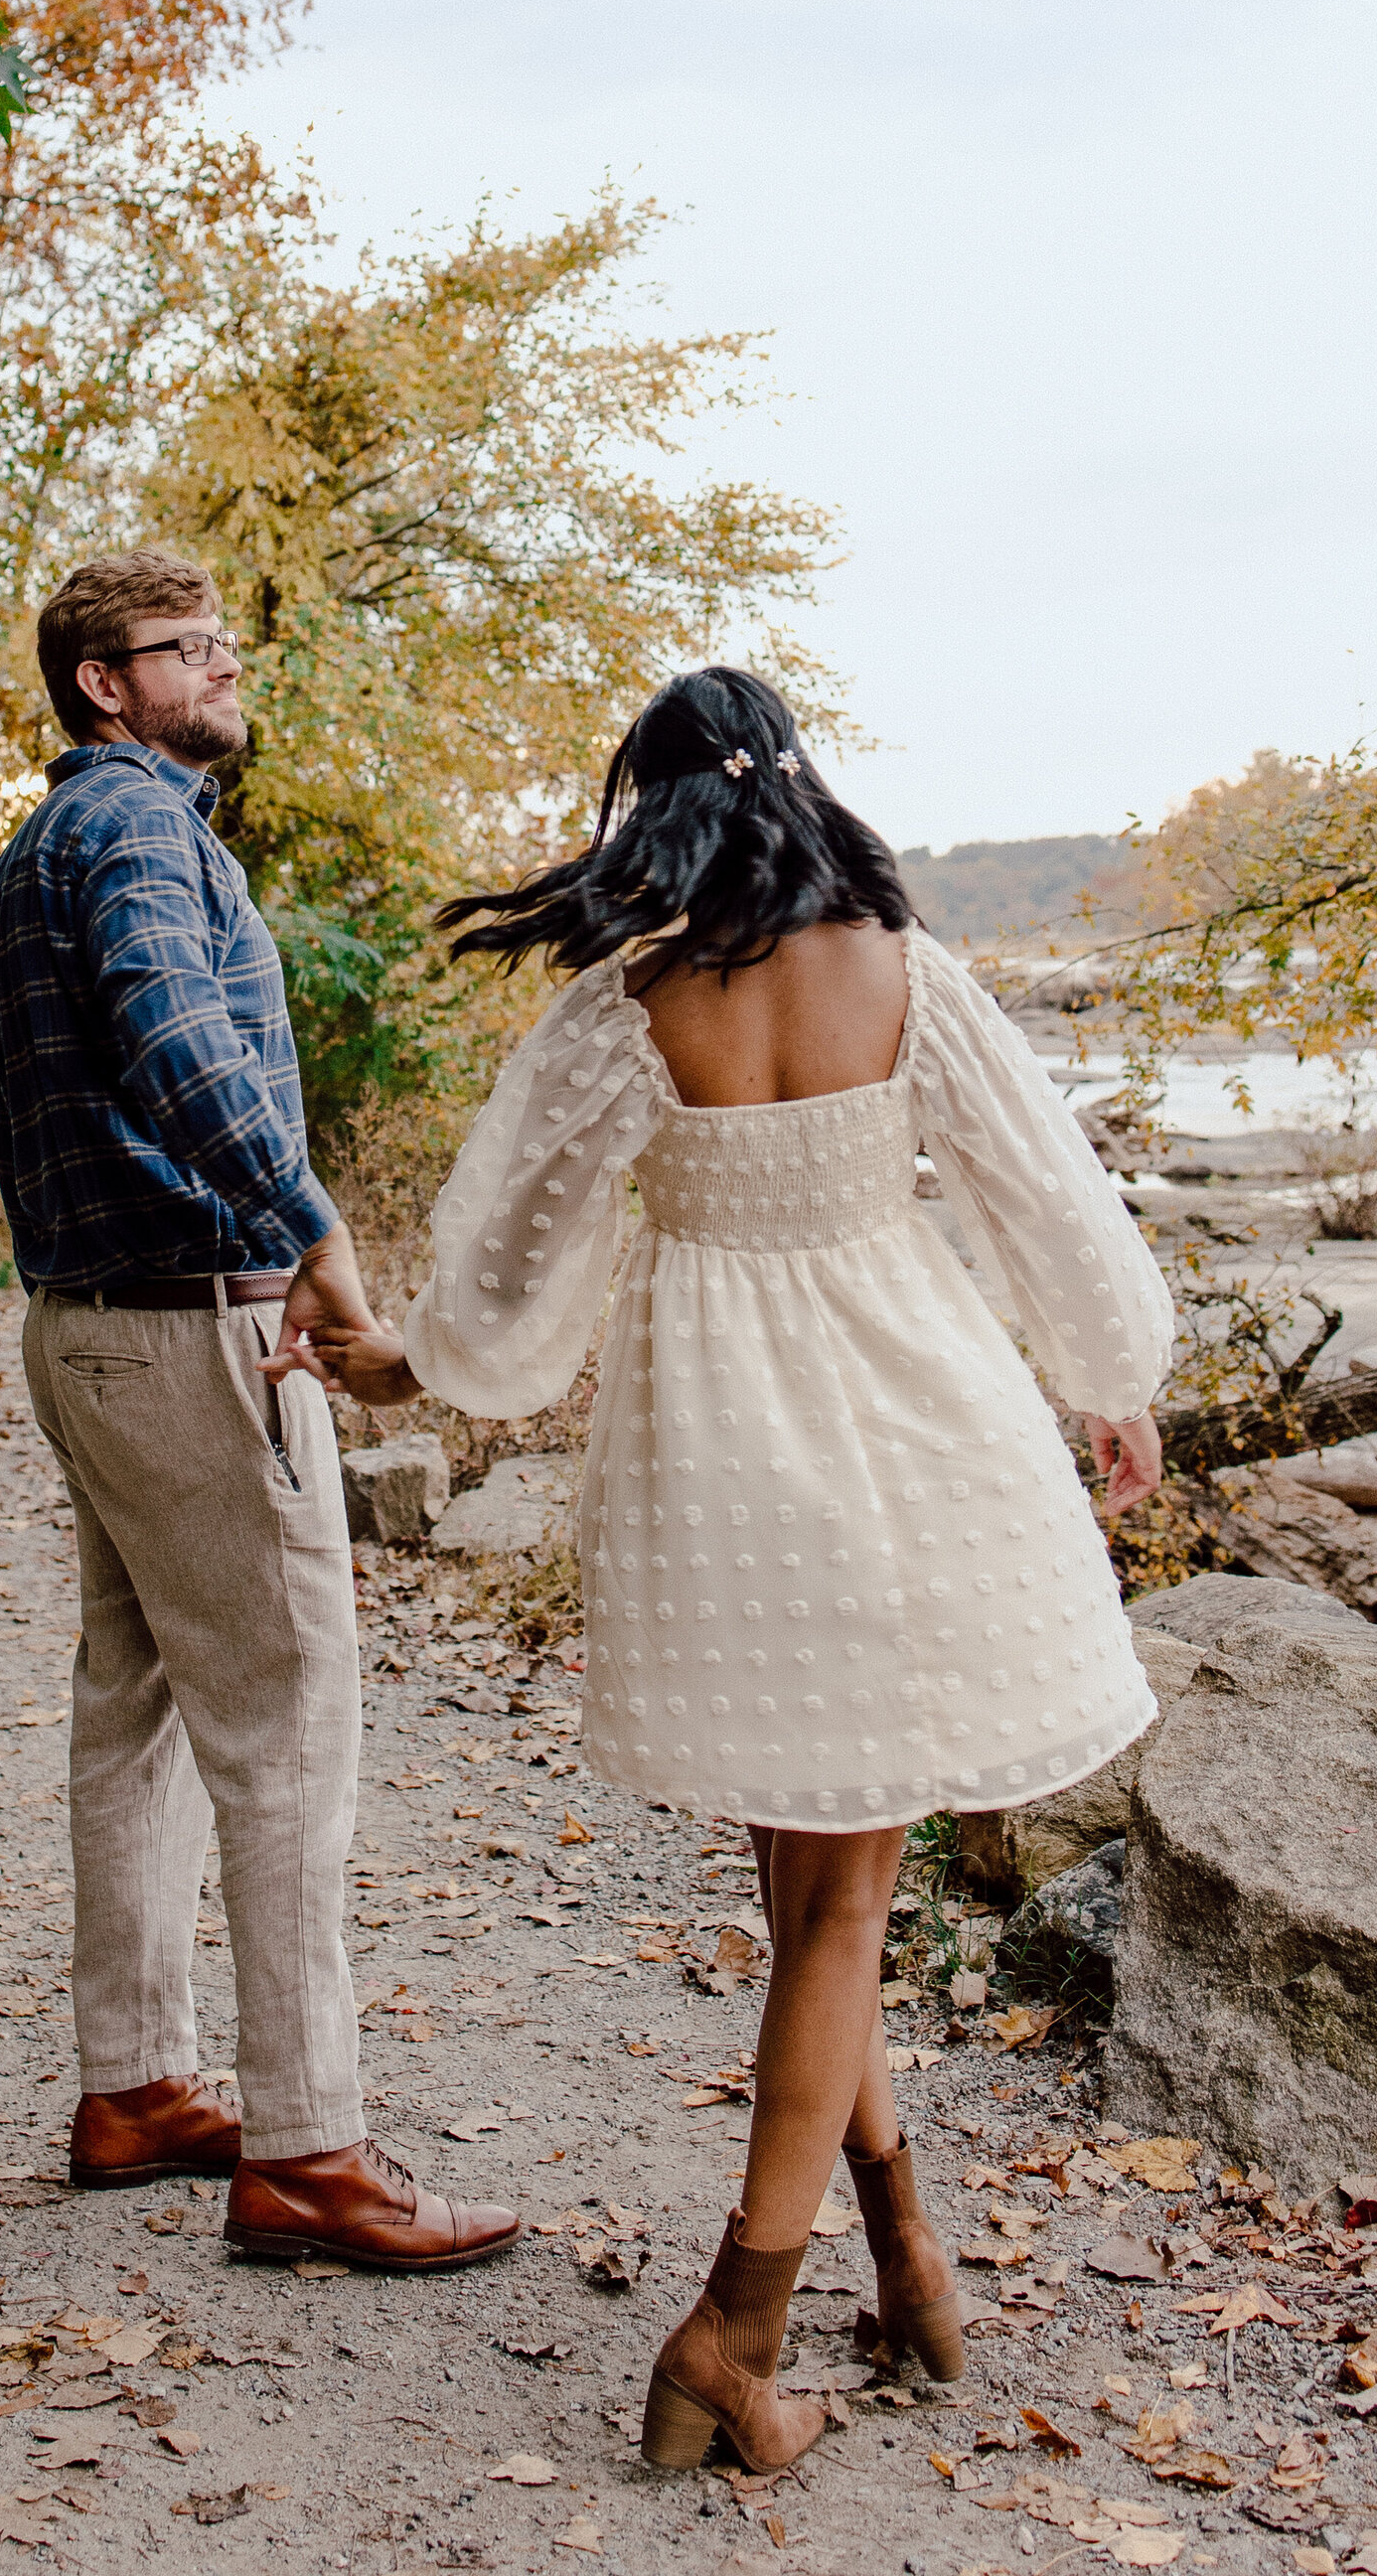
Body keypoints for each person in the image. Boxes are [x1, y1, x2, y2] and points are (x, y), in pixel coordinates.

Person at [311, 667, 1167, 2465]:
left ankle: (906, 2260)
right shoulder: (909, 971)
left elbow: (518, 1256)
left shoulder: (634, 1002)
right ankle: (736, 2335)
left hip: (721, 1465)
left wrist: (425, 1361)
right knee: (837, 1917)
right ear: (799, 788)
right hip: (913, 1431)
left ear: (667, 808)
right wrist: (1114, 1383)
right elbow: (1050, 1206)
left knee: (809, 1912)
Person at [0, 547, 519, 2275]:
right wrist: (321, 1244)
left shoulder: (31, 853)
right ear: (102, 685)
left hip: (88, 1330)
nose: (220, 662)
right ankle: (307, 2147)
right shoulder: (133, 828)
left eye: (221, 638)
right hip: (193, 1333)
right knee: (288, 1723)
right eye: (178, 646)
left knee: (130, 1710)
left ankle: (133, 2086)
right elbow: (180, 1043)